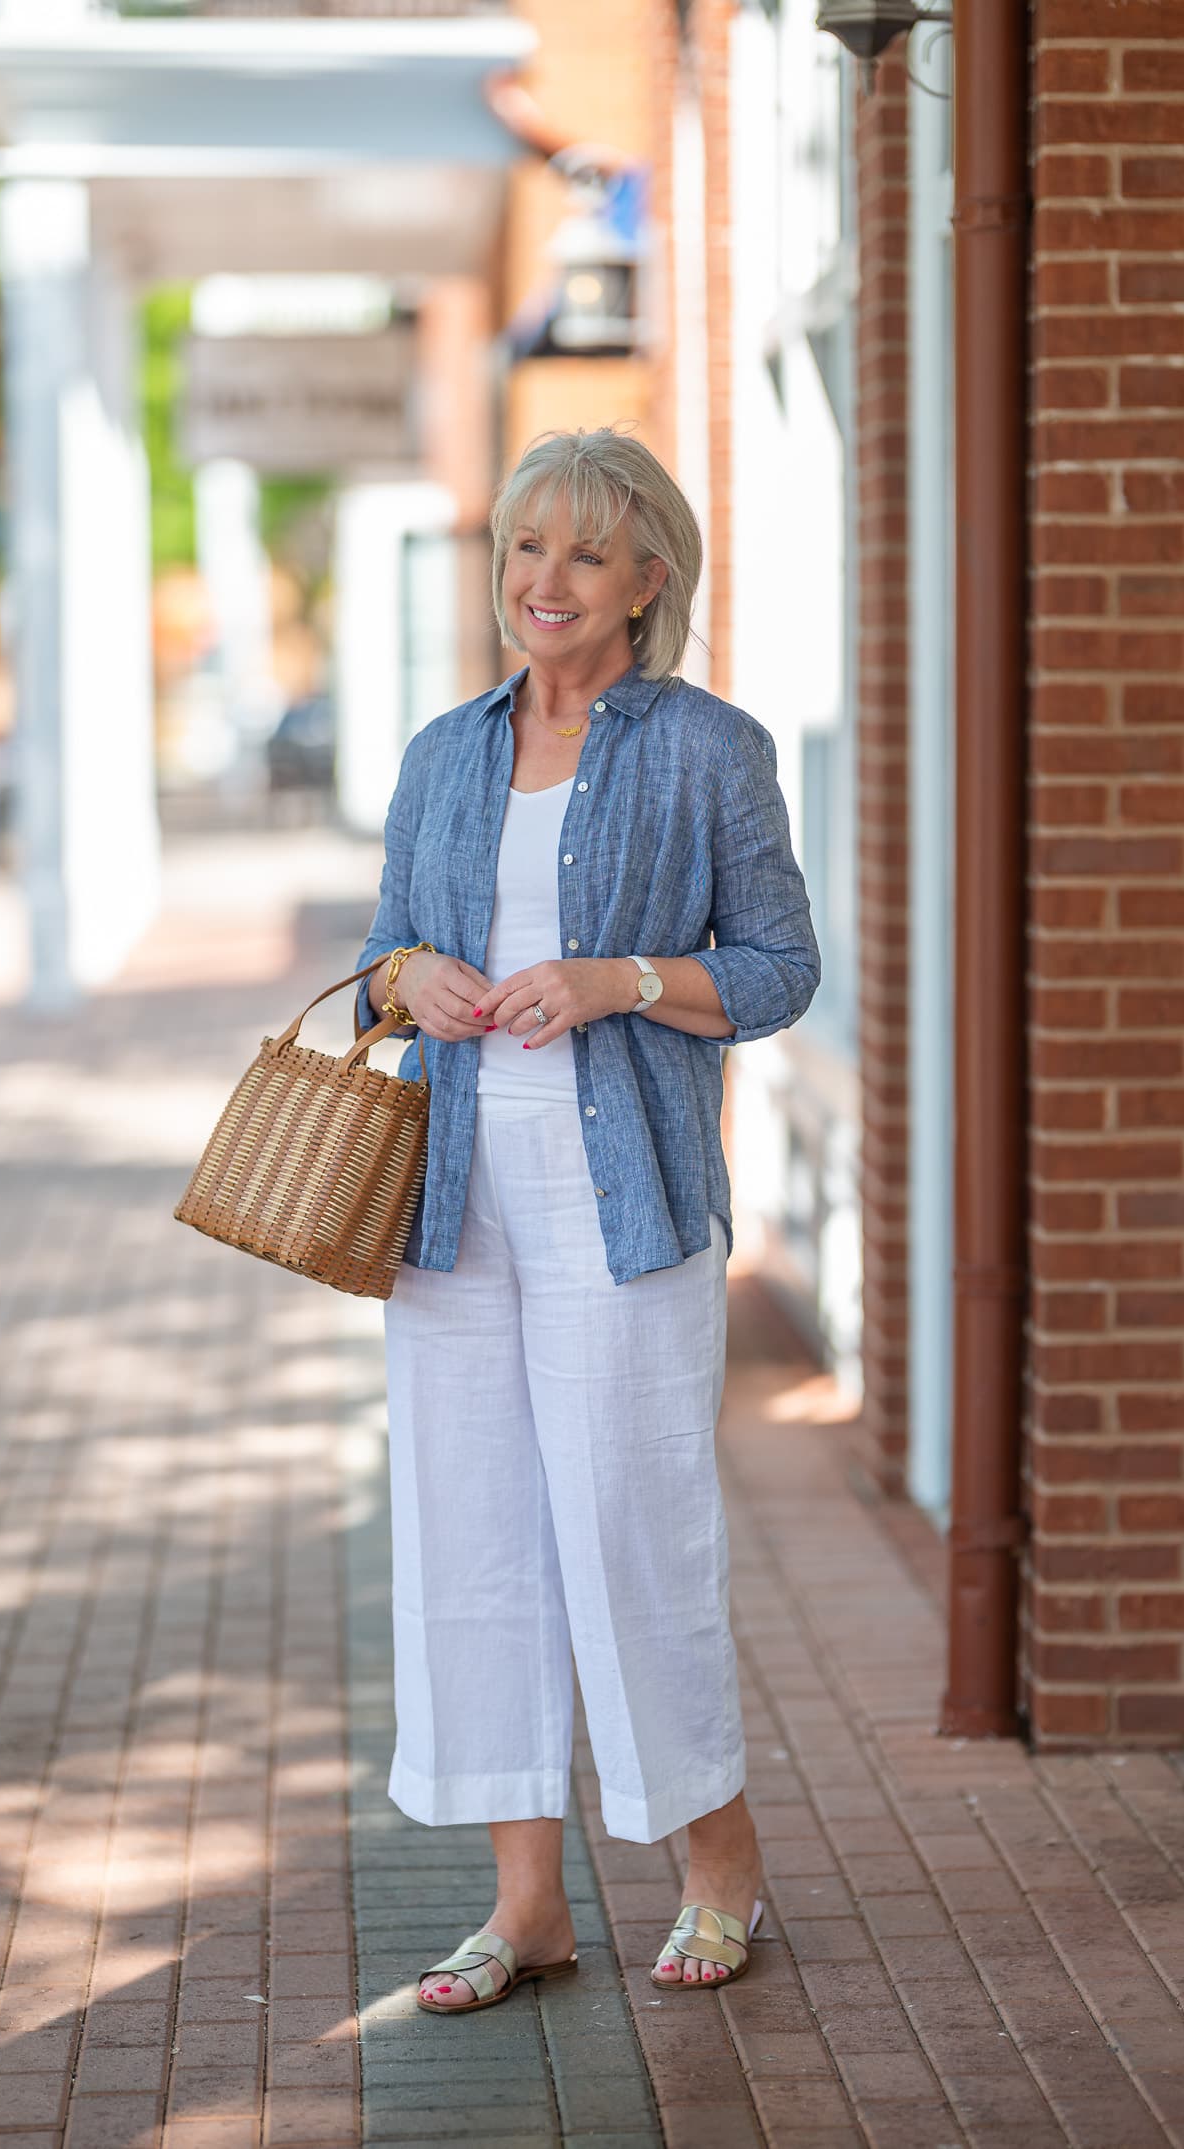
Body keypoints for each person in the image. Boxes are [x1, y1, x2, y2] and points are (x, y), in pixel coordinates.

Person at [352, 425, 821, 2013]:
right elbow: (375, 968)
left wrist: (620, 979)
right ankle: (526, 1904)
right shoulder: (439, 754)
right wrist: (404, 975)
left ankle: (716, 1862)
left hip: (622, 1207)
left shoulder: (706, 748)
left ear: (646, 582)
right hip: (451, 1208)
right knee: (470, 1541)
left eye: (579, 552)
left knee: (630, 1537)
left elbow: (775, 969)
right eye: (521, 547)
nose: (539, 580)